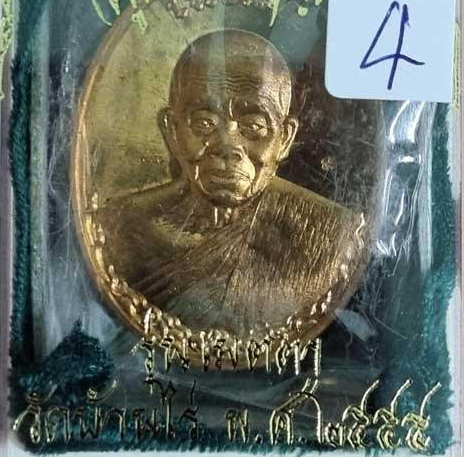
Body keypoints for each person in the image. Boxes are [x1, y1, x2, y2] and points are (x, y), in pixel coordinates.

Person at [99, 29, 364, 339]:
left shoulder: (332, 235)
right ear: (171, 131)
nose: (227, 146)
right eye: (204, 123)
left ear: (285, 138)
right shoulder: (118, 228)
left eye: (254, 126)